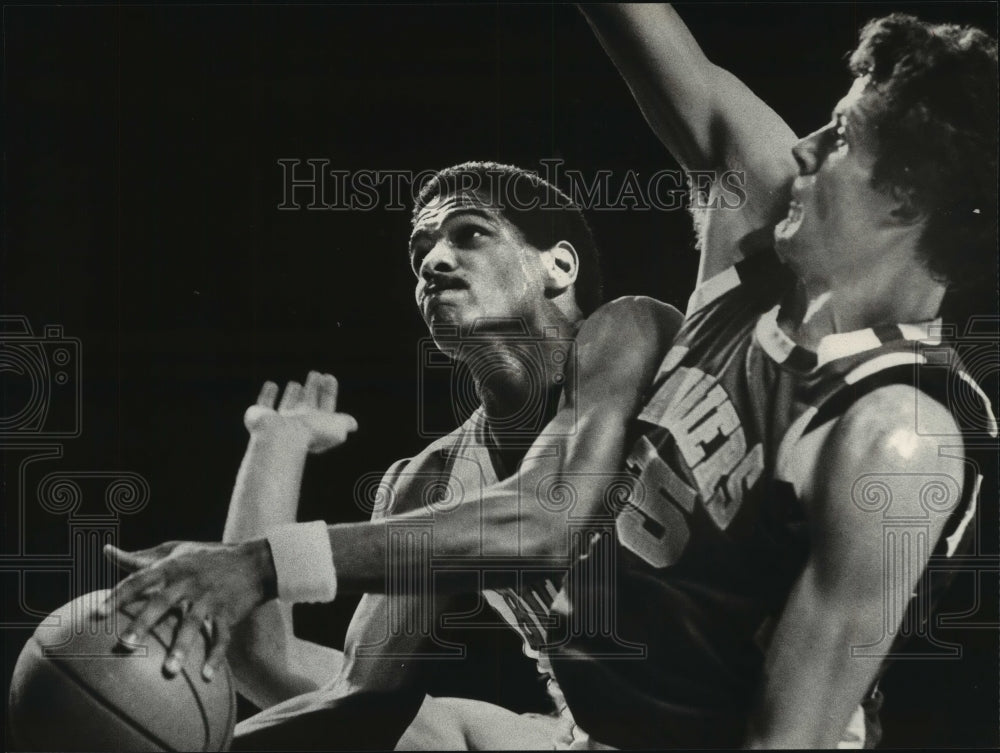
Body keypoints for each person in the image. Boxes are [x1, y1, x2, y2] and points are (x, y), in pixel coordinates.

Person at [99, 161, 682, 749]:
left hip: (749, 709)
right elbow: (357, 701)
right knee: (422, 723)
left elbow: (545, 519)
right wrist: (280, 443)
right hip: (597, 733)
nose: (431, 262)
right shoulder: (433, 480)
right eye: (420, 251)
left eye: (469, 233)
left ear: (558, 265)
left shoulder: (635, 331)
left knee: (459, 730)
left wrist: (258, 563)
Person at [538, 4, 996, 748]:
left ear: (907, 197)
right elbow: (654, 44)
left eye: (841, 137)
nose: (805, 148)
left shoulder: (898, 432)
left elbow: (784, 739)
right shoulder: (767, 230)